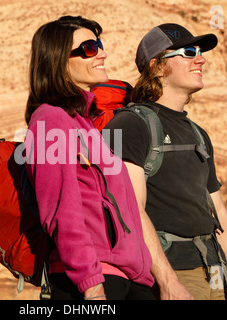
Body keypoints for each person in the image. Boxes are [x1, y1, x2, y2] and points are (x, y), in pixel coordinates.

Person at [105, 23, 227, 300]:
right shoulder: (128, 126)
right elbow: (130, 210)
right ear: (157, 66)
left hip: (216, 272)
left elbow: (218, 212)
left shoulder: (198, 134)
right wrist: (168, 282)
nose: (201, 58)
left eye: (199, 51)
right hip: (177, 274)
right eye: (188, 52)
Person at [23, 16, 155, 300]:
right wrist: (91, 285)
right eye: (90, 48)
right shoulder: (50, 120)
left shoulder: (88, 127)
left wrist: (145, 276)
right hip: (92, 282)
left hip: (129, 279)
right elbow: (60, 211)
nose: (103, 53)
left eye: (100, 45)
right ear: (58, 60)